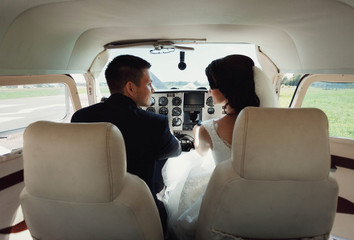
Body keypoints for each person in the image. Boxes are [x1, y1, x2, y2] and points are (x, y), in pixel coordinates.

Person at [162, 54, 278, 240]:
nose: (209, 91)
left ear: (227, 89)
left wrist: (196, 132)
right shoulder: (278, 125)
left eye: (212, 86)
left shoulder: (208, 129)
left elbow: (200, 152)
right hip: (271, 199)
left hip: (230, 201)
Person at [71, 54, 182, 234]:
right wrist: (169, 133)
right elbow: (175, 151)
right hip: (140, 211)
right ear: (130, 88)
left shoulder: (80, 117)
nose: (152, 89)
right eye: (149, 84)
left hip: (91, 209)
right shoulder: (154, 123)